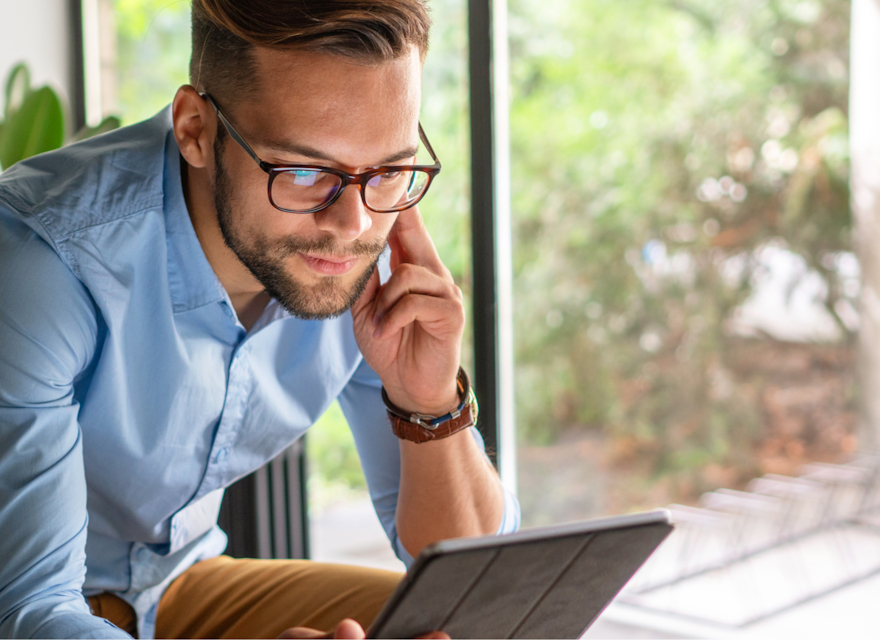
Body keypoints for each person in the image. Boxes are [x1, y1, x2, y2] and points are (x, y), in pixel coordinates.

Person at [0, 0, 520, 637]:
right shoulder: (40, 264)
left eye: (387, 169)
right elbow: (26, 613)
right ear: (195, 129)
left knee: (478, 625)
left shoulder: (361, 247)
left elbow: (477, 580)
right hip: (38, 601)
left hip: (174, 587)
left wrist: (430, 404)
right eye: (303, 170)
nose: (352, 227)